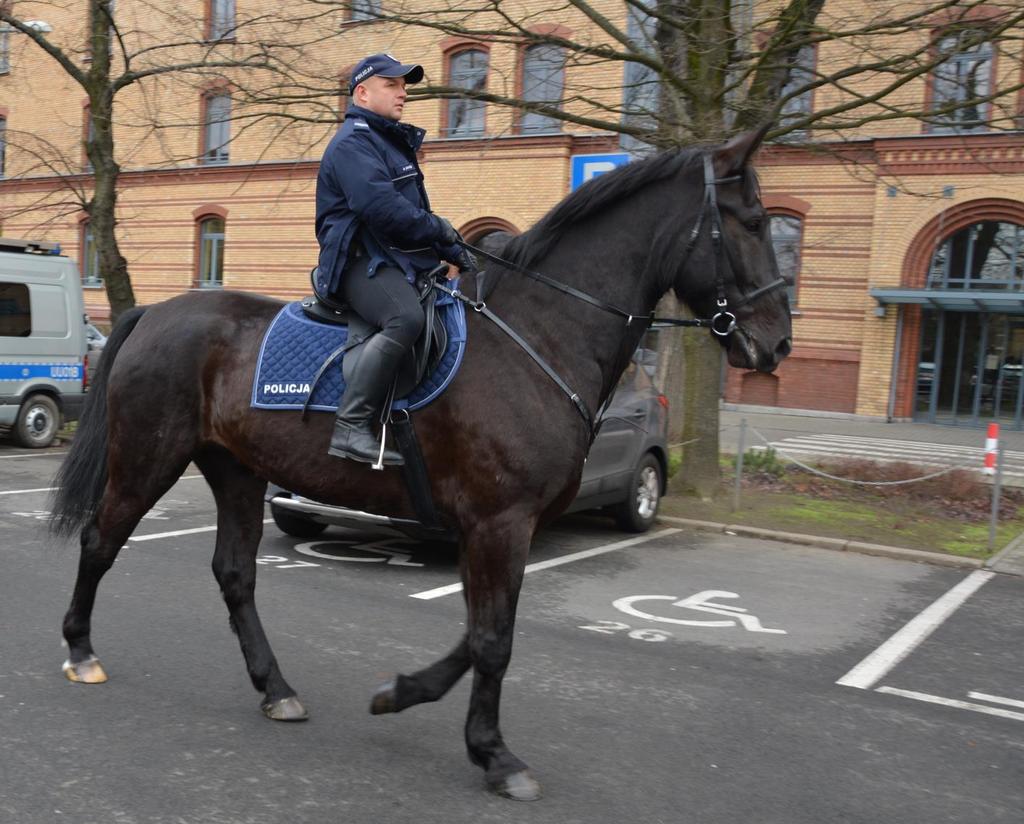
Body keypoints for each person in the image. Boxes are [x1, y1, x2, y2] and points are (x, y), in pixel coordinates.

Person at [315, 53, 477, 465]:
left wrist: (453, 250)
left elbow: (410, 221)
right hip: (355, 264)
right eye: (393, 85)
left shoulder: (388, 144)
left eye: (404, 85)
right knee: (405, 318)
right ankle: (351, 426)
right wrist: (440, 229)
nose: (403, 92)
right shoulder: (353, 143)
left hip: (389, 260)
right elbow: (383, 210)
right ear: (363, 93)